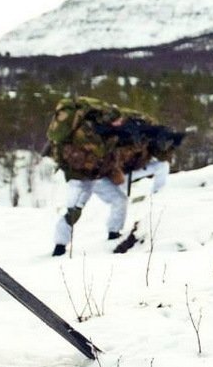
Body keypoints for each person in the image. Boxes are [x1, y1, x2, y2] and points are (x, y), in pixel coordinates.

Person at [45, 97, 176, 256]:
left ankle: (113, 234)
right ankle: (60, 246)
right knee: (74, 209)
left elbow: (112, 157)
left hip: (97, 175)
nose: (119, 122)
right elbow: (101, 152)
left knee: (119, 200)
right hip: (80, 177)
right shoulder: (92, 132)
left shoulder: (106, 131)